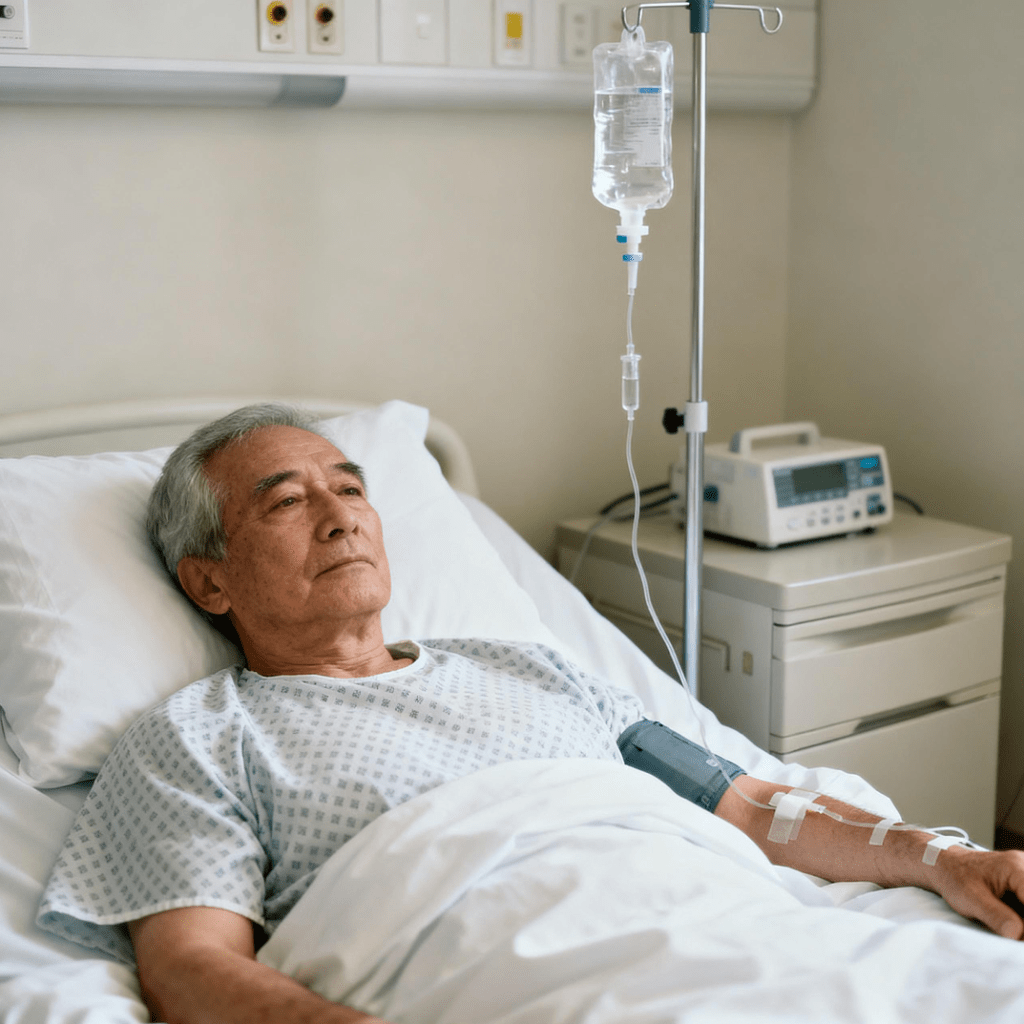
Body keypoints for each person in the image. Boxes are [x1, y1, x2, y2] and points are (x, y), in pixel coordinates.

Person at [38, 404, 1024, 1024]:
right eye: (285, 502)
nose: (341, 515)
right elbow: (191, 971)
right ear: (208, 580)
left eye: (351, 488)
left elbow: (752, 804)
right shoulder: (196, 736)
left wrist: (945, 859)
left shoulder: (527, 662)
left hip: (743, 926)